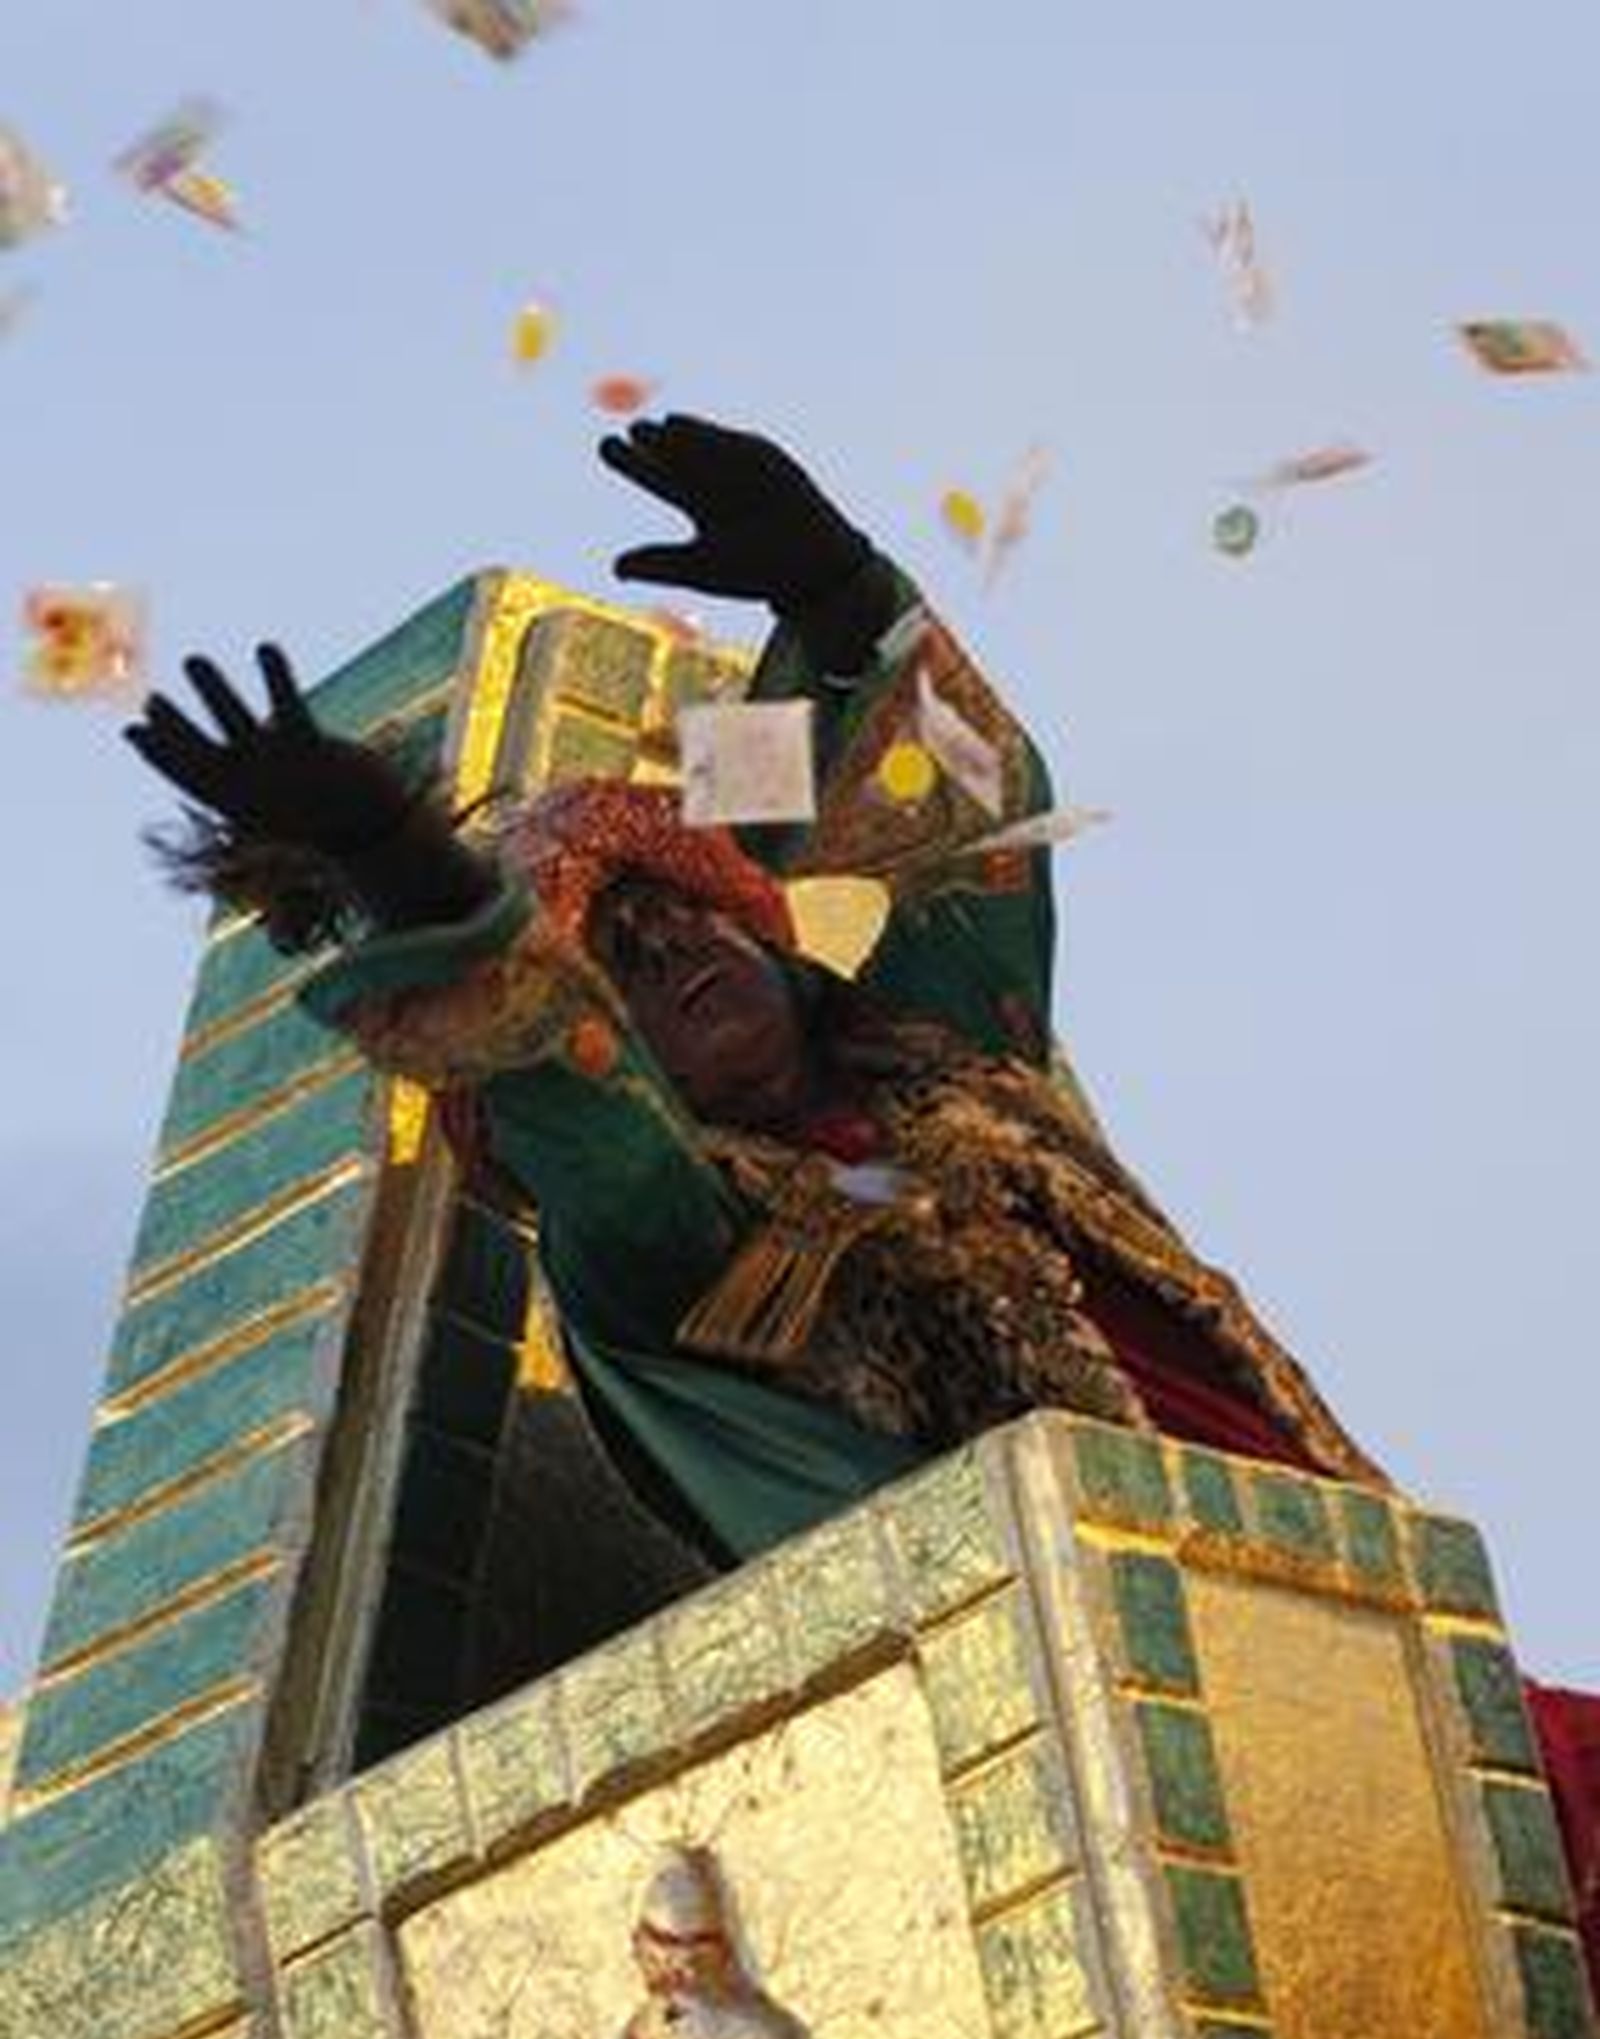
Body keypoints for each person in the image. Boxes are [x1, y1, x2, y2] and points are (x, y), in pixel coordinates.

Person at [125, 413, 1383, 1570]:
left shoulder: (937, 1040)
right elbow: (566, 1093)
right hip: (1115, 1622)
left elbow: (982, 821)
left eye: (684, 916)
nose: (675, 952)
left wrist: (841, 594)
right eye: (624, 960)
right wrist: (391, 853)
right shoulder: (677, 1234)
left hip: (1347, 1561)